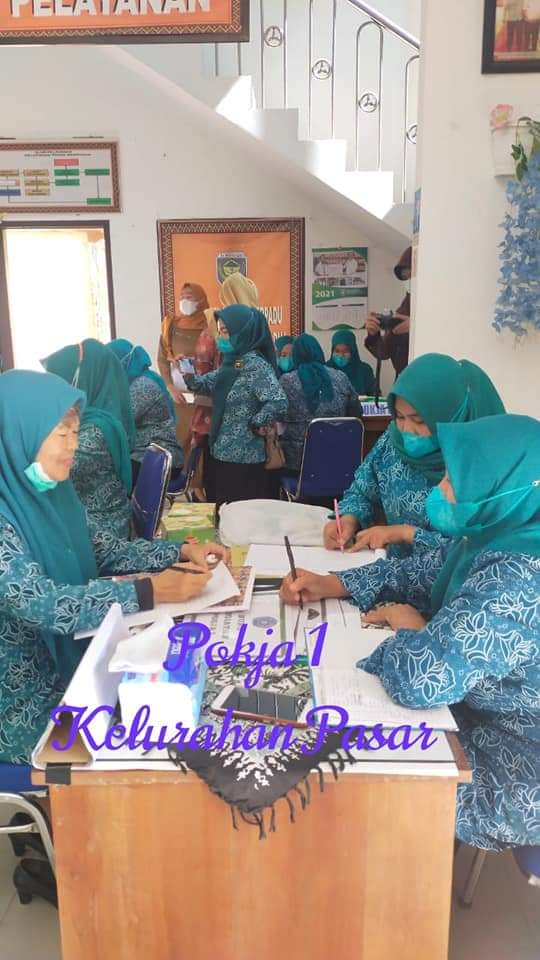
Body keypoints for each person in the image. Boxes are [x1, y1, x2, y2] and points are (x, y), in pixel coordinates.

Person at [281, 414, 540, 852]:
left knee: (362, 782)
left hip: (515, 760)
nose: (440, 489)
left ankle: (400, 888)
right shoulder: (495, 534)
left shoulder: (519, 576)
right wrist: (334, 584)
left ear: (502, 489)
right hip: (476, 711)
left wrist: (412, 629)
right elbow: (423, 571)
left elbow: (421, 679)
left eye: (453, 482)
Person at [0, 370, 228, 766]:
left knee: (186, 707)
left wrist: (180, 552)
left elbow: (108, 551)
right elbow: (46, 605)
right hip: (28, 708)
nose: (74, 444)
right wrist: (149, 591)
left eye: (76, 431)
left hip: (82, 670)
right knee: (155, 748)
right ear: (20, 436)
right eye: (61, 433)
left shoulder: (55, 493)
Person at [323, 353, 505, 558]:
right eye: (399, 417)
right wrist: (349, 519)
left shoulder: (481, 462)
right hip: (390, 571)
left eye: (419, 420)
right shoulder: (392, 443)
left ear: (452, 414)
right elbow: (362, 491)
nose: (407, 430)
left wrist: (406, 534)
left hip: (454, 577)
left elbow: (483, 549)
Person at [184, 304, 287, 510]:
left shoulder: (256, 365)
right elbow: (213, 381)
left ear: (241, 333)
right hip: (222, 452)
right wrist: (188, 374)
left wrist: (256, 422)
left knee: (241, 517)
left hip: (245, 457)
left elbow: (278, 401)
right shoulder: (236, 362)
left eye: (225, 332)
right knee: (225, 513)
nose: (220, 337)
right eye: (220, 331)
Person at [44, 339, 136, 540]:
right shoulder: (94, 418)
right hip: (86, 523)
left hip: (102, 534)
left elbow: (43, 475)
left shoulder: (94, 431)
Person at [189, 273, 260, 502]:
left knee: (221, 493)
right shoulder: (259, 327)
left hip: (217, 422)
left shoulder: (214, 326)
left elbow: (201, 374)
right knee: (250, 495)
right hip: (253, 428)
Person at [279, 334, 361, 473]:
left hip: (297, 464)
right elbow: (356, 412)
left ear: (296, 356)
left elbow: (277, 414)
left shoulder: (287, 381)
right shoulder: (340, 377)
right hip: (337, 459)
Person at [108, 338, 183, 488]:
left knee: (108, 474)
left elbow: (118, 421)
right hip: (145, 454)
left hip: (157, 459)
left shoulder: (143, 385)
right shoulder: (138, 380)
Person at [157, 282, 210, 450]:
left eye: (189, 297)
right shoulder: (171, 326)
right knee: (179, 442)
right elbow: (162, 359)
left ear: (201, 300)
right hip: (178, 397)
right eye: (182, 297)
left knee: (200, 445)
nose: (184, 301)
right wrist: (170, 386)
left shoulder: (211, 326)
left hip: (204, 398)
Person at [365, 247, 411, 379]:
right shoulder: (406, 305)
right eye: (405, 278)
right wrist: (374, 335)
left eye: (412, 276)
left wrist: (415, 327)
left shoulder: (441, 302)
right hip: (405, 377)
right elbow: (384, 352)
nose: (409, 281)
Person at [327, 329, 375, 395]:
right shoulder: (325, 370)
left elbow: (375, 396)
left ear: (353, 352)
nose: (341, 355)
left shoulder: (365, 370)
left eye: (346, 351)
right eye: (337, 351)